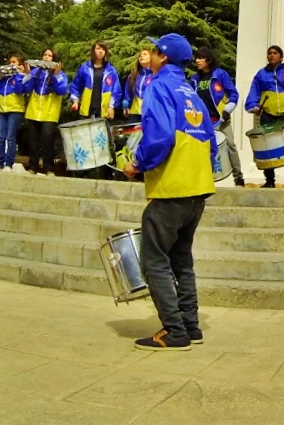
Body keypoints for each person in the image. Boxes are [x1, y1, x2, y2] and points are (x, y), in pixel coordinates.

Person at [122, 33, 216, 351]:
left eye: (153, 50)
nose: (148, 53)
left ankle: (174, 330)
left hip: (172, 187)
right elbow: (212, 144)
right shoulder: (191, 92)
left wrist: (137, 164)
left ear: (163, 57)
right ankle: (191, 326)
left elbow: (160, 136)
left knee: (154, 260)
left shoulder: (159, 86)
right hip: (197, 188)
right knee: (181, 260)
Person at [244, 45, 284, 188]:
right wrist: (253, 106)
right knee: (266, 147)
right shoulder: (261, 75)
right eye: (269, 53)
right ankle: (269, 180)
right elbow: (254, 92)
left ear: (281, 57)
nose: (271, 55)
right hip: (268, 114)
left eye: (275, 53)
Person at [191, 47, 246, 187]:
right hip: (201, 121)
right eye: (196, 58)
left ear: (208, 59)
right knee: (201, 149)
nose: (197, 61)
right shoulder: (195, 78)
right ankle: (203, 178)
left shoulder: (220, 74)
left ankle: (238, 177)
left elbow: (234, 94)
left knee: (231, 146)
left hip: (221, 119)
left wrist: (228, 109)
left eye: (200, 58)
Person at [23, 49, 67, 175]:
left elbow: (61, 91)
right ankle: (33, 167)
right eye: (45, 55)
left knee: (47, 140)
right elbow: (27, 88)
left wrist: (56, 75)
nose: (47, 57)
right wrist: (27, 74)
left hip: (50, 112)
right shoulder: (36, 71)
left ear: (54, 59)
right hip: (34, 110)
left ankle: (49, 168)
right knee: (32, 140)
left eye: (50, 56)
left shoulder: (61, 74)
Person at [0, 54, 30, 171]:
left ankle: (8, 164)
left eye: (14, 62)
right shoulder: (3, 78)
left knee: (10, 137)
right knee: (1, 137)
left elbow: (20, 90)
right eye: (10, 62)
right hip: (2, 110)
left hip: (15, 110)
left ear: (20, 64)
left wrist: (19, 75)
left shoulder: (20, 77)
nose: (11, 64)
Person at [69, 41, 122, 120]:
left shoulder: (111, 70)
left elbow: (116, 90)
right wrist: (75, 101)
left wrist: (111, 107)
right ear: (93, 51)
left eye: (103, 49)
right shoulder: (85, 68)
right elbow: (76, 85)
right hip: (87, 110)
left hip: (104, 111)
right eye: (98, 48)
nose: (101, 51)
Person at [122, 48, 154, 121]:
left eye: (145, 54)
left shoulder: (156, 75)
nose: (141, 56)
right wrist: (125, 105)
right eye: (140, 55)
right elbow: (128, 92)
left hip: (150, 113)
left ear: (151, 57)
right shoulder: (133, 76)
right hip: (135, 112)